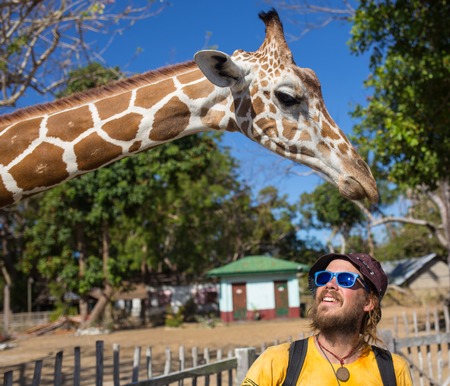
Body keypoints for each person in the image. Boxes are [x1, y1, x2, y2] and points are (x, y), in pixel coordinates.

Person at [241, 252, 413, 385]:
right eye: (324, 277)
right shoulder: (277, 362)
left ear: (368, 302)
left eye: (345, 279)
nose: (329, 284)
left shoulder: (393, 371)